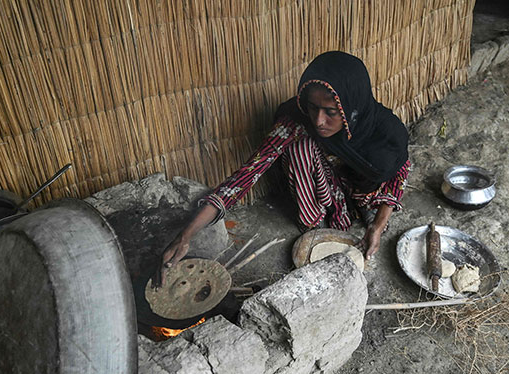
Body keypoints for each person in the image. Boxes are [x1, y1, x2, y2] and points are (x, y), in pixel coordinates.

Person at [155, 51, 409, 287]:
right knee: (299, 147)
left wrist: (377, 225)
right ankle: (317, 224)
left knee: (380, 179)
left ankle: (365, 213)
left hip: (367, 194)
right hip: (329, 189)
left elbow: (399, 172)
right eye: (312, 107)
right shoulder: (297, 119)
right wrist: (186, 235)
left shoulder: (386, 132)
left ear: (351, 109)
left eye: (331, 112)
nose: (318, 120)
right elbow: (246, 175)